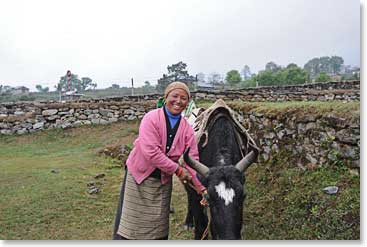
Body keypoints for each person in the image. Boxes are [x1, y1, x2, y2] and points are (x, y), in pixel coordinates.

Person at [113, 81, 207, 240]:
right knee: (130, 224)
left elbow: (192, 160)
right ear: (166, 97)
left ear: (187, 103)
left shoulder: (187, 129)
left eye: (184, 98)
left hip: (162, 181)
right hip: (138, 176)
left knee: (158, 228)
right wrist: (178, 170)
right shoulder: (151, 118)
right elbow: (151, 152)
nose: (178, 101)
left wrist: (202, 189)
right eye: (175, 96)